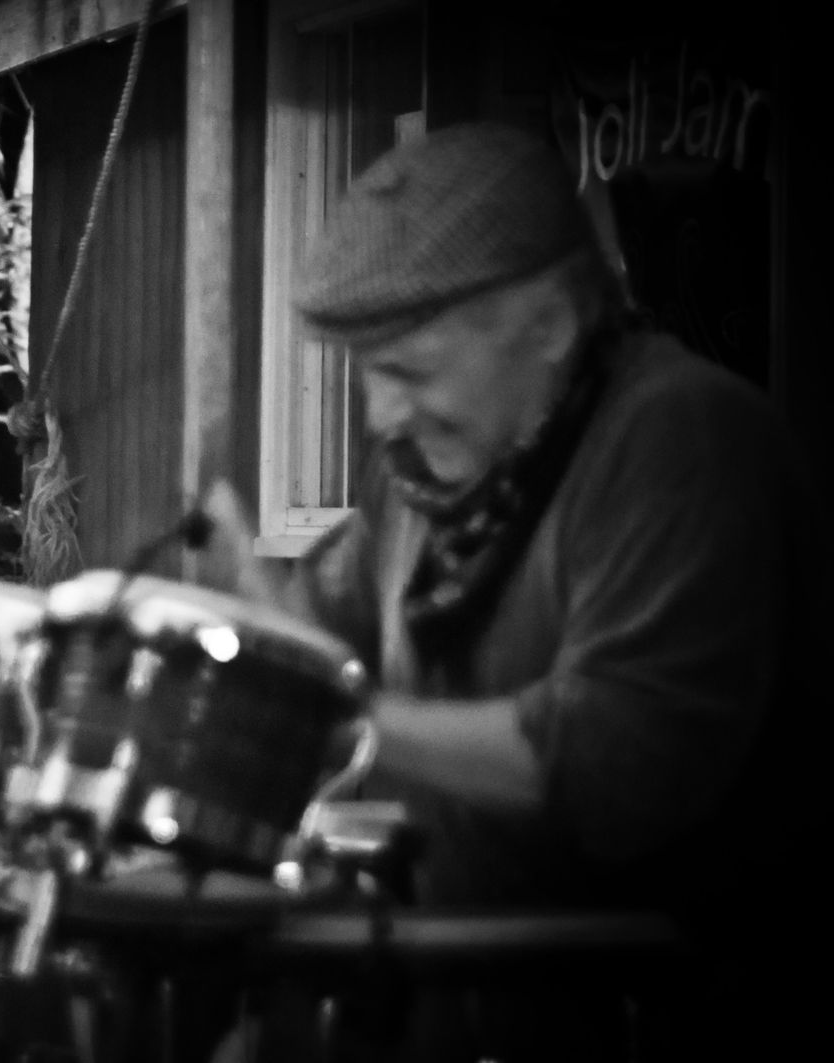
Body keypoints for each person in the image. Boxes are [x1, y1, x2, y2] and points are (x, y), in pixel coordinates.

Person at [206, 122, 822, 1062]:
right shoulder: (420, 480)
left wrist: (346, 720)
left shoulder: (684, 440)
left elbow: (617, 764)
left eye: (410, 372)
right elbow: (324, 650)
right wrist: (248, 614)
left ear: (550, 326)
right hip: (455, 1006)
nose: (383, 417)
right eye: (368, 375)